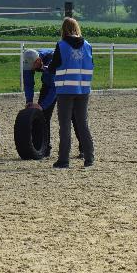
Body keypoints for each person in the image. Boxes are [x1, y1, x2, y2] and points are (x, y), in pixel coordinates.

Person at [49, 17, 95, 168]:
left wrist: (45, 67)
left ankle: (64, 160)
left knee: (65, 126)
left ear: (64, 29)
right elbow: (91, 65)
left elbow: (53, 67)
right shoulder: (87, 45)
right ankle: (89, 158)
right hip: (83, 90)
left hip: (65, 90)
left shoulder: (61, 45)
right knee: (83, 124)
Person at [22, 48, 82, 159]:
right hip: (49, 82)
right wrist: (29, 100)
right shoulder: (28, 61)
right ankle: (43, 148)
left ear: (38, 61)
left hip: (68, 81)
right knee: (42, 116)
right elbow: (28, 82)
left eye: (33, 67)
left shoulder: (53, 60)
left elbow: (55, 89)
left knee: (75, 116)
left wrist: (42, 105)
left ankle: (84, 148)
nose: (31, 69)